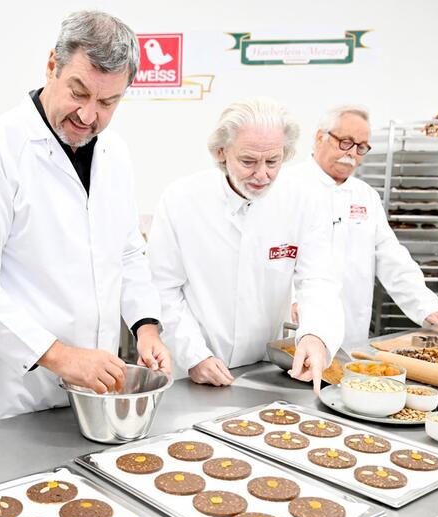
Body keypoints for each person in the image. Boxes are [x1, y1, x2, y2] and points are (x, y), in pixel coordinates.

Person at [0, 10, 171, 425]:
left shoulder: (115, 154)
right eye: (78, 93)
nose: (88, 115)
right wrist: (60, 356)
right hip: (12, 394)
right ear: (52, 66)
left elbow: (128, 253)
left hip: (92, 390)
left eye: (107, 102)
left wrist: (146, 328)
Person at [146, 98, 344, 394]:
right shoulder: (181, 199)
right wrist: (194, 355)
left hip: (264, 370)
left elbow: (318, 280)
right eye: (248, 161)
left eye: (273, 161)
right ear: (221, 152)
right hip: (191, 370)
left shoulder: (303, 201)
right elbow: (163, 288)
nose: (262, 174)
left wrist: (316, 335)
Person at [285, 105, 438, 346]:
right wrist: (292, 299)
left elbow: (391, 256)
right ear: (320, 137)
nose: (352, 153)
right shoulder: (287, 186)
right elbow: (272, 256)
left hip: (352, 327)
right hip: (301, 322)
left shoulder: (366, 196)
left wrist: (426, 307)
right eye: (345, 142)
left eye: (361, 147)